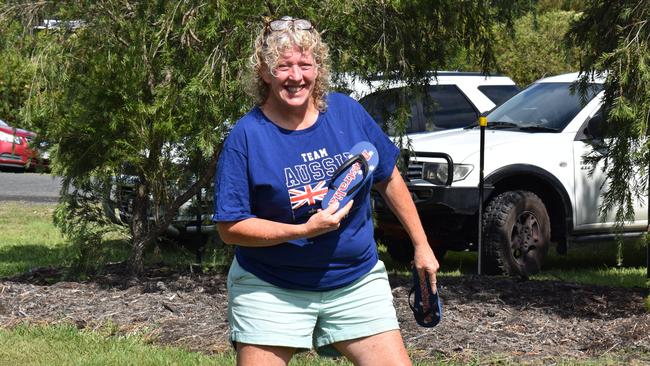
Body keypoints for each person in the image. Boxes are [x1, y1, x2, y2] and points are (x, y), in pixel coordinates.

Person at [213, 16, 439, 366]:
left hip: (354, 280)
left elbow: (388, 177)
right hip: (271, 286)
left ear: (318, 67)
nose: (296, 76)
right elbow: (231, 228)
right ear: (264, 73)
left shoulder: (347, 113)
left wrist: (421, 245)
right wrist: (303, 231)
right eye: (283, 67)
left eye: (305, 65)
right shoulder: (246, 136)